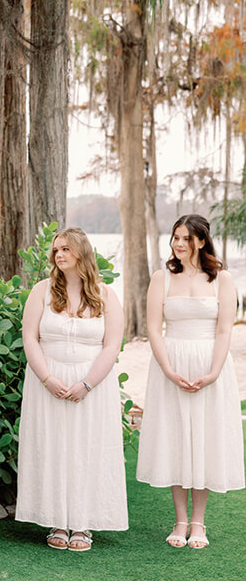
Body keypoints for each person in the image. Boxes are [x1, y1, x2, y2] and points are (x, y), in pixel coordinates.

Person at [15, 227, 127, 551]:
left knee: (87, 449)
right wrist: (47, 378)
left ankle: (82, 523)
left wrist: (87, 383)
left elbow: (112, 346)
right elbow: (30, 338)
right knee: (52, 448)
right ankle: (57, 520)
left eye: (65, 249)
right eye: (56, 250)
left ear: (81, 252)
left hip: (91, 385)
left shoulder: (106, 295)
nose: (59, 255)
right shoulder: (41, 291)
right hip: (48, 382)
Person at [136, 214, 244, 549]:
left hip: (210, 366)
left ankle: (199, 522)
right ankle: (180, 520)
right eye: (175, 238)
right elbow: (154, 327)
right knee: (177, 439)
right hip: (172, 365)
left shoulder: (222, 279)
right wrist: (168, 368)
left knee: (204, 439)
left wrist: (213, 372)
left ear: (201, 240)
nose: (178, 244)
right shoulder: (162, 278)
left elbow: (225, 328)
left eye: (185, 238)